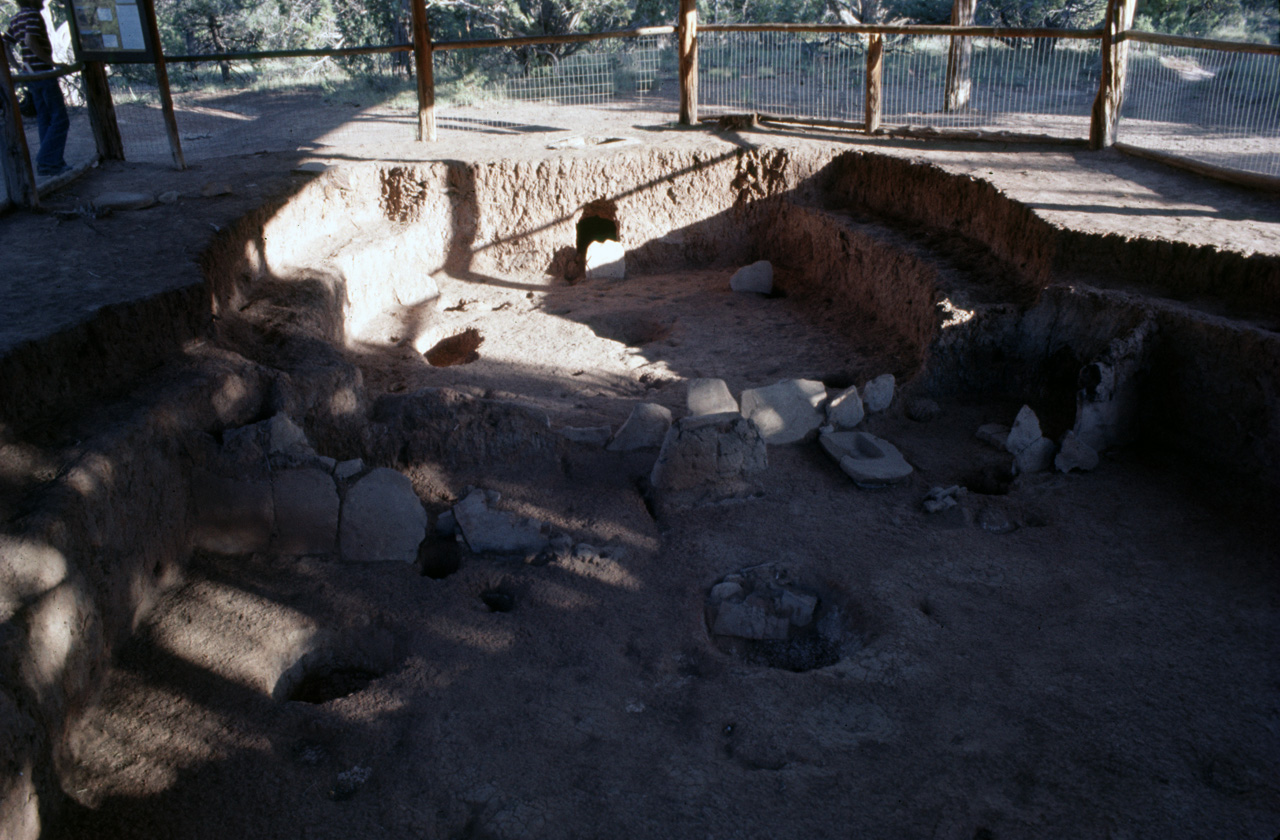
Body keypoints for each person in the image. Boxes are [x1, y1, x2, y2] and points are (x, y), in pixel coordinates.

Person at [3, 0, 69, 177]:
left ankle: (50, 164)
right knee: (60, 118)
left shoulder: (17, 18)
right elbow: (30, 40)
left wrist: (18, 67)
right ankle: (47, 161)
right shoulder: (32, 15)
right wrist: (51, 63)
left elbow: (5, 44)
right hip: (42, 73)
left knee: (44, 118)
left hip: (31, 75)